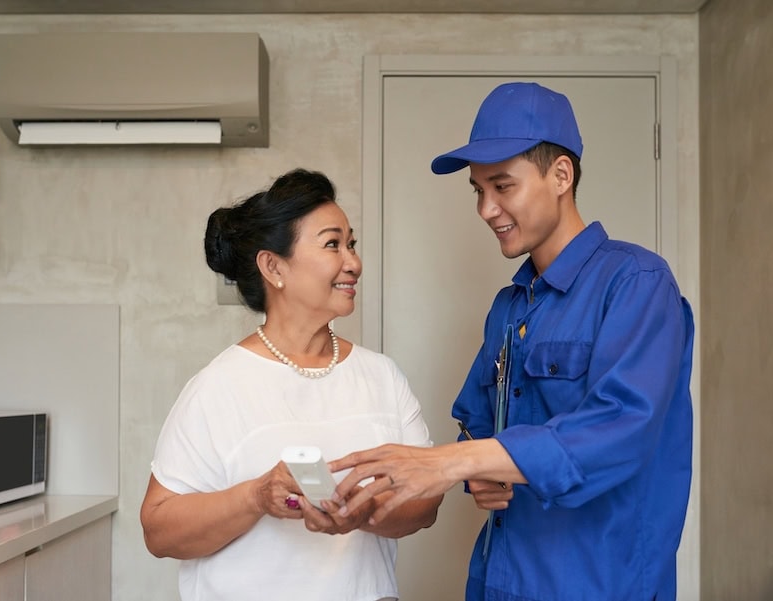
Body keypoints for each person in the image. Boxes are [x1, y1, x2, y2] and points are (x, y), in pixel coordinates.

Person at [329, 82, 695, 601]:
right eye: (478, 191)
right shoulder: (509, 306)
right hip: (498, 579)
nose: (486, 208)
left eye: (503, 186)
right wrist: (473, 469)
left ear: (561, 175)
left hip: (597, 583)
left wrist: (456, 463)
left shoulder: (637, 283)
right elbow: (478, 423)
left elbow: (619, 431)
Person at [140, 168, 442, 601]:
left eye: (351, 244)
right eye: (333, 244)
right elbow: (159, 528)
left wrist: (362, 511)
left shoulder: (382, 377)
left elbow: (427, 506)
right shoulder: (218, 387)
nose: (353, 262)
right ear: (274, 266)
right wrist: (258, 497)